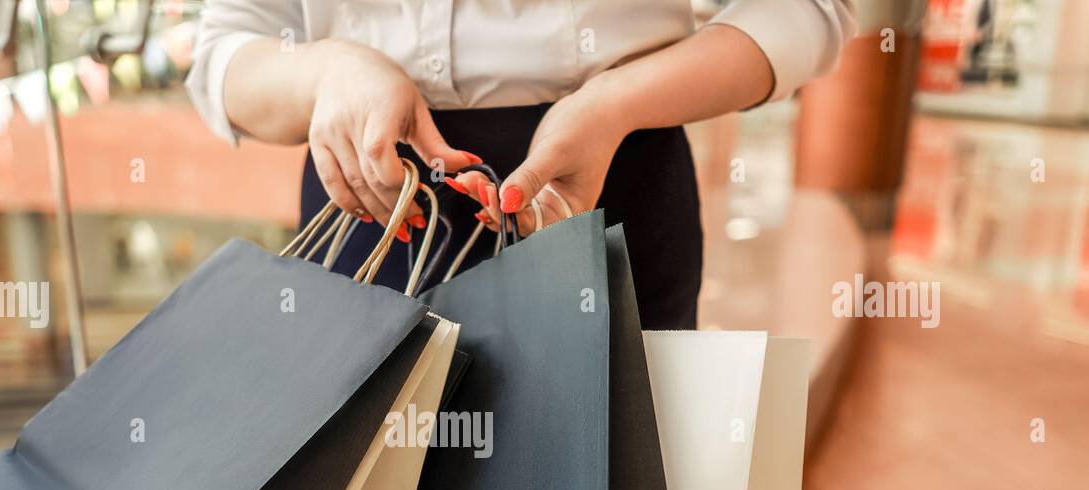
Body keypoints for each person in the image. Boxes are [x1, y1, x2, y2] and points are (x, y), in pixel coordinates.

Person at [188, 1, 856, 329]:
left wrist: (615, 101)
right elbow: (226, 52)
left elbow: (805, 10)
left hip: (604, 190)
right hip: (371, 211)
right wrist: (329, 70)